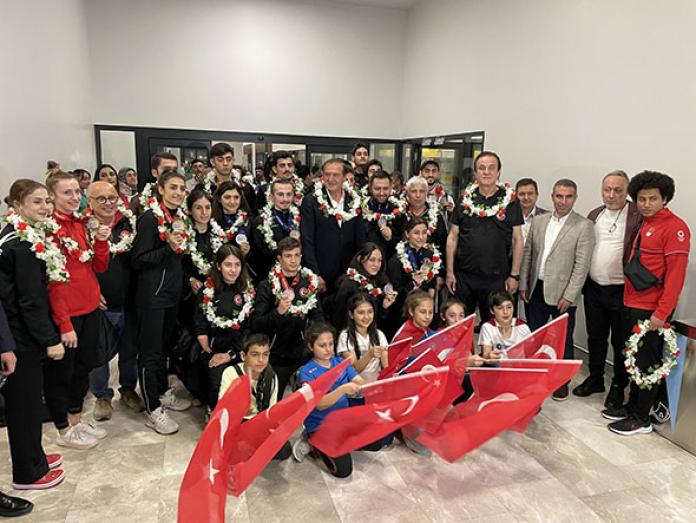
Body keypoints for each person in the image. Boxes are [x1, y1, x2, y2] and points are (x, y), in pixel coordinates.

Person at [605, 171, 690, 436]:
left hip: (652, 309)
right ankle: (633, 407)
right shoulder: (644, 222)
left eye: (653, 199)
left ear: (665, 199)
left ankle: (641, 418)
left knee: (647, 363)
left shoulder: (675, 228)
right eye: (641, 199)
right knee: (634, 360)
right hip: (631, 302)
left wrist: (661, 313)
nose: (646, 204)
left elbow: (675, 278)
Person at [0, 180, 66, 492]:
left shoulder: (22, 234)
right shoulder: (21, 245)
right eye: (37, 202)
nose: (45, 208)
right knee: (24, 405)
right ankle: (28, 472)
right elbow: (29, 300)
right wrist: (50, 339)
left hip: (18, 332)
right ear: (17, 206)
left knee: (25, 402)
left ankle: (36, 456)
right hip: (18, 337)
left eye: (46, 201)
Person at [44, 171, 111, 449]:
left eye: (76, 192)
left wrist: (102, 240)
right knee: (63, 373)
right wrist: (63, 324)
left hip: (90, 308)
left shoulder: (83, 223)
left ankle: (75, 418)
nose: (74, 198)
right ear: (52, 197)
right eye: (66, 193)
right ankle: (62, 428)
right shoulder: (48, 230)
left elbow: (99, 267)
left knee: (84, 366)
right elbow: (53, 282)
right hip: (67, 314)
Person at [519, 179, 594, 400]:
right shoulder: (539, 221)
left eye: (568, 196)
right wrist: (524, 283)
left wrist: (570, 295)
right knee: (536, 335)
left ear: (575, 198)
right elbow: (528, 255)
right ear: (552, 196)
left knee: (563, 339)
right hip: (536, 288)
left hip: (563, 294)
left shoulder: (583, 225)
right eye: (559, 196)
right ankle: (535, 376)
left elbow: (582, 265)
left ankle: (561, 381)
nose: (563, 201)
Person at [131, 169, 191, 435]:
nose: (178, 193)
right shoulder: (149, 219)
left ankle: (163, 392)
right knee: (150, 354)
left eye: (182, 188)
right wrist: (168, 248)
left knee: (165, 349)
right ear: (161, 189)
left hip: (171, 295)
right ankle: (152, 409)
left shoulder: (179, 218)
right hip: (151, 296)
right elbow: (139, 259)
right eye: (173, 188)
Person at [573, 171, 641, 402]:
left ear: (627, 191)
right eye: (607, 190)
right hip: (594, 288)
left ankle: (618, 386)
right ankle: (595, 378)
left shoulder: (636, 215)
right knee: (596, 336)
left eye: (617, 190)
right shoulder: (595, 214)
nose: (611, 195)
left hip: (622, 290)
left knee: (621, 341)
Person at [293, 322, 384, 477]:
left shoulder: (340, 363)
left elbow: (361, 383)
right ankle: (312, 442)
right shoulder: (307, 372)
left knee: (377, 441)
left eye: (331, 344)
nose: (328, 349)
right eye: (322, 345)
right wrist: (343, 389)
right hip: (320, 426)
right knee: (343, 471)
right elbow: (320, 404)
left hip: (343, 421)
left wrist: (383, 382)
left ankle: (341, 442)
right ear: (310, 347)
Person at [85, 181, 143, 422]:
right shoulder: (84, 227)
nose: (108, 203)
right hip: (99, 302)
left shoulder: (129, 223)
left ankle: (128, 390)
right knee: (99, 351)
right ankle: (102, 396)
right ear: (90, 202)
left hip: (129, 300)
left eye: (112, 197)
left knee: (129, 350)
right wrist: (89, 291)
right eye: (101, 199)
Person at [446, 151, 523, 323]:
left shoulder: (511, 202)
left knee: (495, 326)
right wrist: (450, 272)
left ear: (498, 173)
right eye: (481, 168)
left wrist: (514, 275)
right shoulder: (464, 199)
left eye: (491, 168)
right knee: (459, 324)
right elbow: (452, 237)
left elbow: (518, 240)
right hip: (464, 275)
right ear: (475, 173)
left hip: (496, 277)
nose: (486, 172)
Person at [251, 237, 324, 399]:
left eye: (297, 255)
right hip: (277, 354)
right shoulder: (267, 285)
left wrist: (319, 342)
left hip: (303, 352)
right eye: (288, 256)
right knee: (271, 403)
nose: (293, 260)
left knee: (314, 397)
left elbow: (318, 316)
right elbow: (257, 324)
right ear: (279, 258)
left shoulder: (308, 281)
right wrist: (278, 312)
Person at [193, 245, 253, 410]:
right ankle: (214, 413)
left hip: (239, 349)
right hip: (213, 348)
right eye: (228, 265)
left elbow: (249, 329)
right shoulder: (207, 290)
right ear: (219, 266)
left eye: (237, 264)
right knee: (218, 380)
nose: (233, 270)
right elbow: (200, 321)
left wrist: (231, 354)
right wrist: (205, 345)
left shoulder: (247, 291)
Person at [218, 334, 291, 460]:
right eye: (255, 354)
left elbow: (271, 411)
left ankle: (253, 449)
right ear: (243, 356)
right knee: (232, 452)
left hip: (259, 421)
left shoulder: (271, 376)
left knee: (284, 450)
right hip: (237, 422)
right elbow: (222, 408)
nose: (261, 360)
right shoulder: (231, 373)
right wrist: (238, 411)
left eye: (265, 354)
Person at [300, 158, 365, 294]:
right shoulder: (311, 201)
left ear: (344, 177)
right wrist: (315, 274)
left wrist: (358, 270)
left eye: (335, 175)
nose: (330, 179)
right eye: (327, 175)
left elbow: (360, 238)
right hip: (322, 273)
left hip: (348, 273)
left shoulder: (354, 200)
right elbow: (307, 240)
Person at [388, 217, 441, 326]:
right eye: (416, 233)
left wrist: (429, 304)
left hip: (426, 312)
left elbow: (432, 283)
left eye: (424, 233)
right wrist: (414, 284)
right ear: (407, 234)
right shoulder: (397, 259)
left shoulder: (430, 255)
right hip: (404, 312)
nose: (421, 237)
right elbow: (397, 292)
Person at [332, 243, 397, 332]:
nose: (376, 264)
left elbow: (376, 319)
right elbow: (338, 316)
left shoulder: (379, 281)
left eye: (379, 260)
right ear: (360, 259)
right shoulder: (349, 283)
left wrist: (384, 307)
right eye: (372, 260)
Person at [251, 178, 301, 279]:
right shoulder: (260, 221)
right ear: (272, 197)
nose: (285, 199)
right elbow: (258, 254)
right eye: (280, 194)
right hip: (270, 275)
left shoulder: (300, 217)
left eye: (289, 194)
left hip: (297, 273)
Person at [337, 293, 388, 387]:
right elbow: (353, 370)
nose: (366, 317)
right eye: (361, 313)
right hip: (355, 392)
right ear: (351, 314)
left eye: (370, 312)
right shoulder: (345, 337)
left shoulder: (379, 335)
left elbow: (386, 366)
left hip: (376, 388)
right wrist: (369, 354)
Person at [394, 176, 448, 259]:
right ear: (407, 194)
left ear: (427, 194)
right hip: (402, 264)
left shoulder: (437, 216)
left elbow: (443, 244)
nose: (418, 195)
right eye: (414, 191)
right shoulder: (400, 214)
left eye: (422, 191)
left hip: (430, 266)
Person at [202, 143, 256, 211]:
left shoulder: (245, 188)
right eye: (220, 160)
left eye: (228, 159)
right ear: (212, 162)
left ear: (233, 160)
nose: (225, 163)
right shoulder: (203, 189)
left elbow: (253, 215)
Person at [361, 170, 402, 259]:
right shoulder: (362, 207)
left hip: (388, 262)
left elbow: (402, 242)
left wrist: (390, 238)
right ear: (370, 188)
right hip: (365, 260)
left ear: (391, 187)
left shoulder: (398, 209)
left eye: (385, 188)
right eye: (377, 188)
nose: (381, 193)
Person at [479, 291, 532, 360]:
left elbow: (531, 353)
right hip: (497, 367)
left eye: (509, 307)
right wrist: (490, 356)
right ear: (492, 311)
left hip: (519, 367)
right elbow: (485, 354)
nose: (505, 312)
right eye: (500, 308)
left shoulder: (523, 327)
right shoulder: (487, 327)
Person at [212, 181, 251, 258]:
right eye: (227, 197)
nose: (232, 202)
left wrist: (247, 251)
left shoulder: (248, 219)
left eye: (236, 197)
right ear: (219, 199)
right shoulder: (213, 221)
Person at [515, 178, 548, 244]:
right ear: (516, 196)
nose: (526, 197)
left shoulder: (547, 217)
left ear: (537, 195)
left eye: (530, 193)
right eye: (522, 194)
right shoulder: (508, 217)